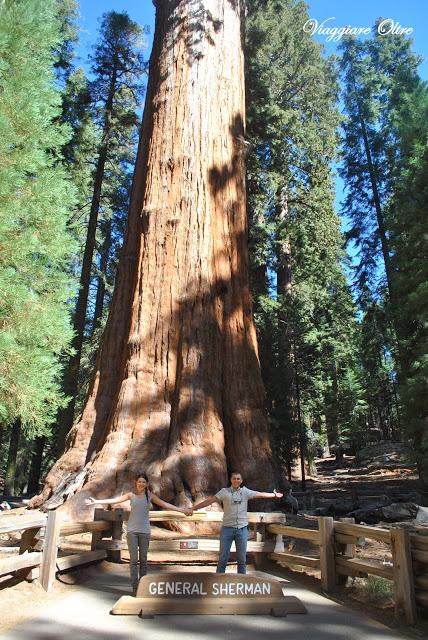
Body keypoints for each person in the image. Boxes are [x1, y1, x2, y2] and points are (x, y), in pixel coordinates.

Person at [85, 473, 193, 594]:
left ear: (146, 483)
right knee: (133, 560)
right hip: (132, 531)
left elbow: (165, 504)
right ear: (135, 483)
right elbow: (115, 500)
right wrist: (96, 501)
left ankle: (143, 586)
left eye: (143, 482)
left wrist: (182, 510)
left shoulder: (149, 496)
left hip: (145, 531)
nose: (141, 484)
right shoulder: (131, 495)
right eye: (139, 481)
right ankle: (135, 587)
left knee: (143, 559)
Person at [192, 471, 283, 574]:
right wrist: (194, 508)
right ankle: (219, 582)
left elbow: (259, 494)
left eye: (238, 479)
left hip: (242, 529)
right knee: (223, 558)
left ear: (241, 480)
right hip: (227, 529)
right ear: (231, 480)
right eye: (234, 478)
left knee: (242, 560)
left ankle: (241, 583)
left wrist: (273, 495)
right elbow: (210, 501)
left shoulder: (245, 492)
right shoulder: (224, 492)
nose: (236, 480)